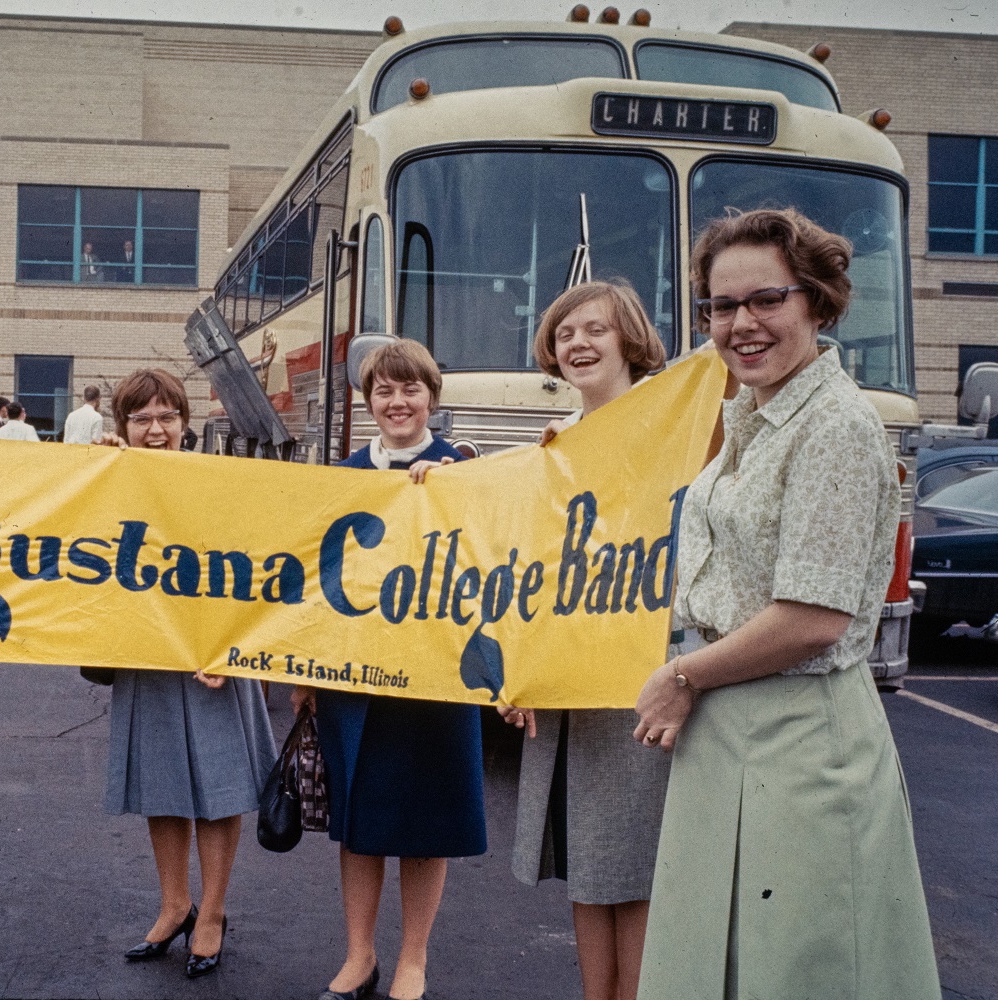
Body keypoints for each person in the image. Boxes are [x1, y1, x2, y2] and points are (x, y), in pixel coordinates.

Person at [632, 208, 941, 998]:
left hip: (798, 742)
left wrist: (683, 676)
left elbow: (813, 618)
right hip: (735, 738)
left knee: (796, 970)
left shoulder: (833, 424)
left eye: (765, 300)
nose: (741, 324)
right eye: (721, 306)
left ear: (818, 302)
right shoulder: (754, 417)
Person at [293, 339, 486, 1000]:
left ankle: (413, 958)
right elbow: (317, 580)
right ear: (367, 401)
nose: (398, 402)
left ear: (431, 396)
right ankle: (359, 955)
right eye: (384, 391)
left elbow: (499, 566)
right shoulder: (344, 474)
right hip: (353, 676)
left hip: (437, 676)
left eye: (410, 390)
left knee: (425, 823)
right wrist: (303, 672)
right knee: (360, 822)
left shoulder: (464, 470)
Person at [495, 282, 670, 1000]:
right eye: (565, 333)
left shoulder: (674, 425)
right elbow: (519, 561)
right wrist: (518, 672)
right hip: (570, 680)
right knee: (590, 865)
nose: (578, 343)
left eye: (595, 329)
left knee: (638, 865)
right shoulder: (552, 443)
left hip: (646, 675)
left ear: (630, 338)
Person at [97, 368, 277, 979]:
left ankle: (213, 912)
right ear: (121, 426)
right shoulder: (108, 475)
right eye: (140, 418)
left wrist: (233, 647)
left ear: (185, 423)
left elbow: (256, 566)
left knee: (221, 788)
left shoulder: (219, 481)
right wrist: (95, 469)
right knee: (162, 783)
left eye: (166, 417)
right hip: (147, 654)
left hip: (212, 658)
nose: (154, 429)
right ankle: (175, 904)